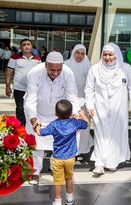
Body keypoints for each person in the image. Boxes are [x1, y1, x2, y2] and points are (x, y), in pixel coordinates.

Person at [85, 43, 131, 174]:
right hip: (100, 107)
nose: (107, 57)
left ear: (116, 55)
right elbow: (89, 89)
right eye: (104, 54)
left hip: (119, 109)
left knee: (116, 135)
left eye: (110, 54)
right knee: (100, 134)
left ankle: (112, 162)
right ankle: (99, 163)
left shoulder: (125, 69)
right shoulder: (95, 69)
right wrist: (89, 105)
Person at [24, 51, 80, 185]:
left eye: (58, 70)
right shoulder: (34, 72)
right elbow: (30, 99)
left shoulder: (68, 73)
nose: (55, 73)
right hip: (37, 112)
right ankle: (35, 172)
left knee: (59, 142)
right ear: (45, 65)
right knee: (36, 144)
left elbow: (72, 96)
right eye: (52, 69)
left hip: (58, 114)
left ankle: (55, 168)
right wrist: (33, 119)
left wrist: (76, 116)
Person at [34, 99, 88, 205]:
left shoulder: (54, 125)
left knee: (58, 182)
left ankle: (58, 201)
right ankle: (69, 198)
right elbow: (85, 124)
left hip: (58, 158)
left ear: (55, 113)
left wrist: (37, 125)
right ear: (71, 113)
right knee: (69, 178)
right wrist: (82, 114)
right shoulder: (74, 122)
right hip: (70, 158)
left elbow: (40, 133)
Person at [64, 44, 93, 158]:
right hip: (68, 99)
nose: (79, 56)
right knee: (70, 126)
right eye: (77, 53)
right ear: (73, 53)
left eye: (82, 53)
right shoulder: (66, 64)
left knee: (83, 126)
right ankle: (69, 149)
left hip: (84, 99)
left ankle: (80, 149)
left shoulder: (89, 66)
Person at [5, 38, 41, 126]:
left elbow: (41, 73)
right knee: (20, 109)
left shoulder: (37, 58)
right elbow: (9, 72)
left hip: (33, 90)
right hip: (19, 89)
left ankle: (31, 127)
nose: (26, 46)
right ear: (21, 47)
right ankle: (21, 129)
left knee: (32, 109)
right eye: (24, 45)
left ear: (32, 47)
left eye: (28, 44)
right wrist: (8, 86)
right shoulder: (14, 58)